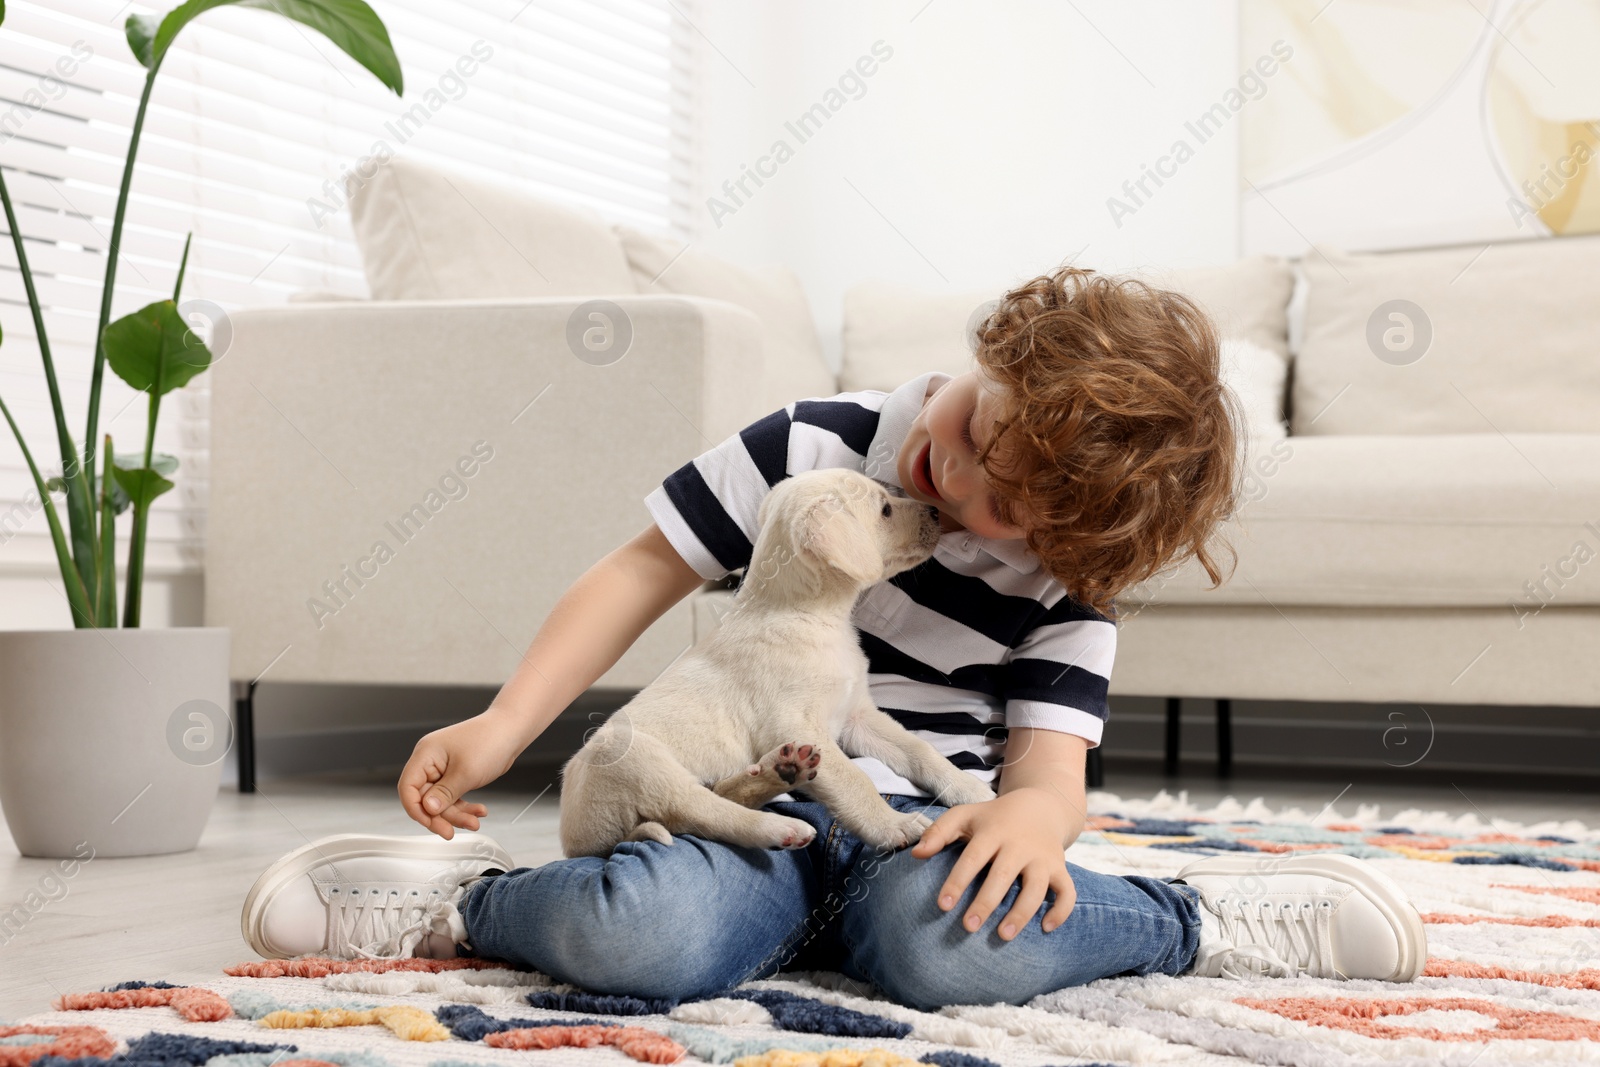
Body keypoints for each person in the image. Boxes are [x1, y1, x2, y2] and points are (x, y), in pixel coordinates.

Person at [241, 266, 1426, 1008]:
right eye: (972, 425)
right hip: (744, 810)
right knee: (645, 932)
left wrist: (1026, 819)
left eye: (1001, 503)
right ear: (990, 357)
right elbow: (642, 569)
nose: (949, 476)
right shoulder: (810, 445)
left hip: (912, 841)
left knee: (949, 952)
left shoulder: (1067, 578)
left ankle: (1193, 920)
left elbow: (1050, 778)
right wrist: (507, 723)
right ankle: (473, 905)